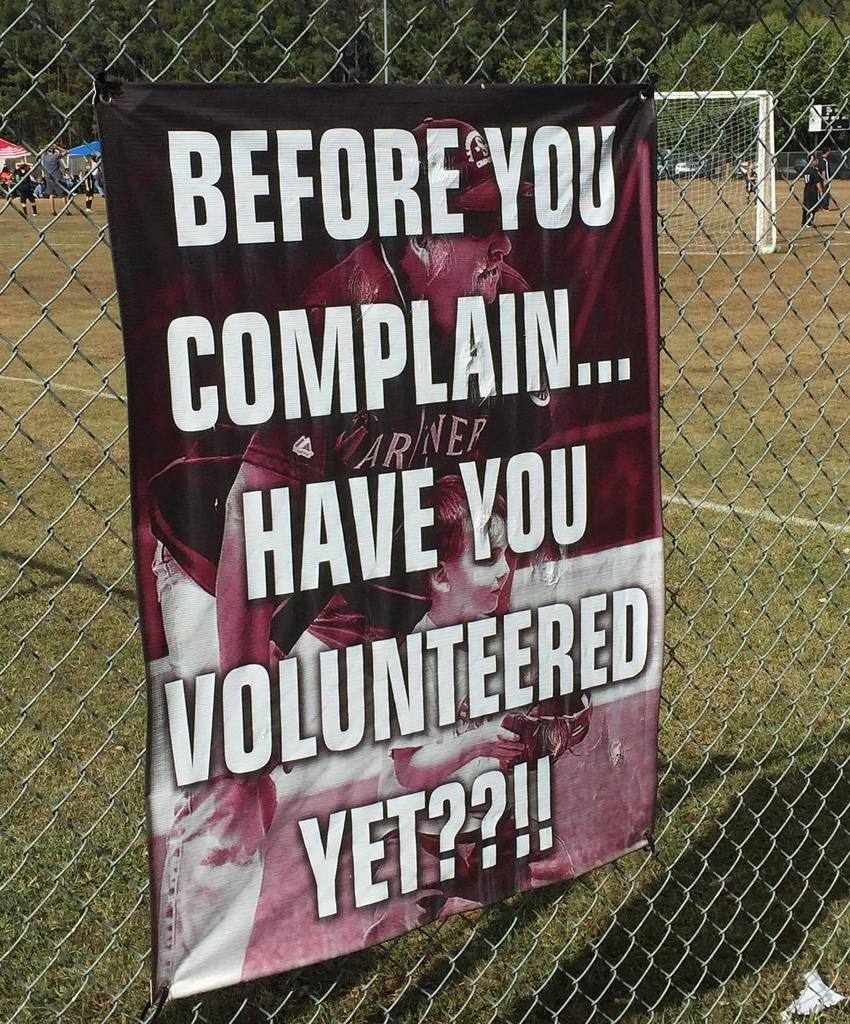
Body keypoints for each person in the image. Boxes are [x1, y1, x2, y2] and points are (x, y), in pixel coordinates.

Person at [151, 116, 555, 987]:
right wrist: (242, 730)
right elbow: (256, 528)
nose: (503, 244)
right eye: (481, 226)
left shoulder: (508, 301)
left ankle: (403, 891)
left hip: (383, 578)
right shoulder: (342, 310)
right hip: (223, 561)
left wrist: (520, 664)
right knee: (236, 810)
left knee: (428, 797)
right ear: (416, 239)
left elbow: (519, 497)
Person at [367, 476, 591, 938]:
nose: (505, 570)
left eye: (507, 555)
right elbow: (410, 772)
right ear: (439, 576)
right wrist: (479, 743)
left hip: (486, 816)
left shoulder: (494, 636)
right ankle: (428, 888)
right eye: (489, 559)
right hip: (422, 828)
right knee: (401, 919)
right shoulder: (417, 655)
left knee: (553, 865)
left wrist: (542, 732)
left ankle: (480, 876)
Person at [42, 144, 70, 215]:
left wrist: (46, 148)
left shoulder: (44, 157)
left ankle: (53, 210)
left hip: (48, 178)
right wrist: (57, 147)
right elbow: (66, 152)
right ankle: (66, 210)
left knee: (51, 194)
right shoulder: (55, 156)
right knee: (63, 195)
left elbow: (44, 152)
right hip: (56, 177)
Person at [801, 153, 823, 228]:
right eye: (815, 160)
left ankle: (804, 222)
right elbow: (817, 182)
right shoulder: (814, 171)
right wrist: (820, 191)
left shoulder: (806, 170)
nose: (817, 161)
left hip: (806, 189)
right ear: (812, 161)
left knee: (806, 206)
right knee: (812, 207)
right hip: (812, 191)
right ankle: (809, 223)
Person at [818, 143, 834, 213]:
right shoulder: (824, 160)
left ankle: (820, 205)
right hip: (825, 179)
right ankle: (825, 206)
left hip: (819, 178)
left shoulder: (820, 159)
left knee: (821, 192)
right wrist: (825, 180)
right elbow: (824, 170)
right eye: (829, 150)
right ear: (827, 151)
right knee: (826, 193)